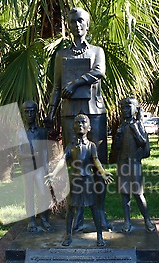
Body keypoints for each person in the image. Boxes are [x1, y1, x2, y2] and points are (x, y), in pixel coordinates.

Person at [46, 7, 111, 231]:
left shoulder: (96, 51)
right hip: (69, 113)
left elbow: (99, 71)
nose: (77, 25)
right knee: (75, 165)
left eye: (81, 21)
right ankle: (78, 217)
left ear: (87, 24)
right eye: (73, 22)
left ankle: (100, 214)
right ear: (69, 25)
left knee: (98, 163)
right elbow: (56, 86)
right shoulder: (61, 55)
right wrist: (51, 111)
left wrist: (75, 83)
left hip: (94, 113)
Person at [45, 114, 113, 247]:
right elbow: (63, 160)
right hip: (74, 181)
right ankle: (68, 235)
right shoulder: (70, 146)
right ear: (73, 127)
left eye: (83, 122)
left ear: (89, 127)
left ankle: (99, 236)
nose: (80, 124)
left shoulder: (91, 146)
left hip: (88, 181)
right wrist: (53, 173)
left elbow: (96, 160)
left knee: (94, 208)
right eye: (77, 122)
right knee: (70, 208)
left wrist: (103, 172)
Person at [115, 97, 156, 233]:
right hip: (123, 163)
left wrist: (135, 130)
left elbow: (143, 143)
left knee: (138, 193)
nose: (124, 110)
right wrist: (118, 136)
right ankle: (127, 221)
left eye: (127, 107)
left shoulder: (138, 124)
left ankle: (147, 219)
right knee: (125, 194)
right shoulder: (121, 126)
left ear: (135, 109)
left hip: (135, 164)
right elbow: (116, 147)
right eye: (122, 108)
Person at [17, 100, 53, 232]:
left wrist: (47, 168)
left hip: (39, 168)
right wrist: (31, 156)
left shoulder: (42, 132)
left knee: (43, 193)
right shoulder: (20, 133)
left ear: (36, 113)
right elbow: (19, 155)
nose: (29, 114)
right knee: (29, 195)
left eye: (32, 111)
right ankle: (31, 221)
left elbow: (45, 151)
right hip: (27, 169)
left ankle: (44, 219)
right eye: (26, 111)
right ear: (23, 113)